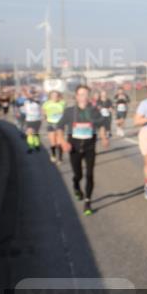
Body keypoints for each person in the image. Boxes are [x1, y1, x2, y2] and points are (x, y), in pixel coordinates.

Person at [57, 85, 106, 215]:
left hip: (90, 146)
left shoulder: (94, 110)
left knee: (90, 174)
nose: (84, 97)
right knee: (77, 174)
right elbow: (60, 127)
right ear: (77, 96)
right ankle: (76, 186)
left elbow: (101, 125)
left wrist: (103, 136)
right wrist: (62, 141)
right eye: (81, 94)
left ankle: (88, 202)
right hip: (74, 146)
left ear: (89, 96)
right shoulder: (69, 111)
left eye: (86, 94)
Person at [42, 90, 66, 163]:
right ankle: (53, 155)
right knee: (53, 142)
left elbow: (65, 113)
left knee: (59, 142)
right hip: (50, 123)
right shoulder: (46, 103)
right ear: (50, 96)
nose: (55, 97)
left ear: (58, 96)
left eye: (56, 95)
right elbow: (44, 112)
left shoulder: (63, 103)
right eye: (53, 95)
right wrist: (46, 117)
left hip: (60, 124)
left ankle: (60, 158)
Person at [22, 89, 43, 153]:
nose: (32, 95)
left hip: (37, 119)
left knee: (35, 133)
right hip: (29, 119)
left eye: (33, 94)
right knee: (29, 133)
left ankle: (37, 145)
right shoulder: (26, 101)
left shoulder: (37, 100)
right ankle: (31, 147)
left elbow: (37, 102)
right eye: (31, 94)